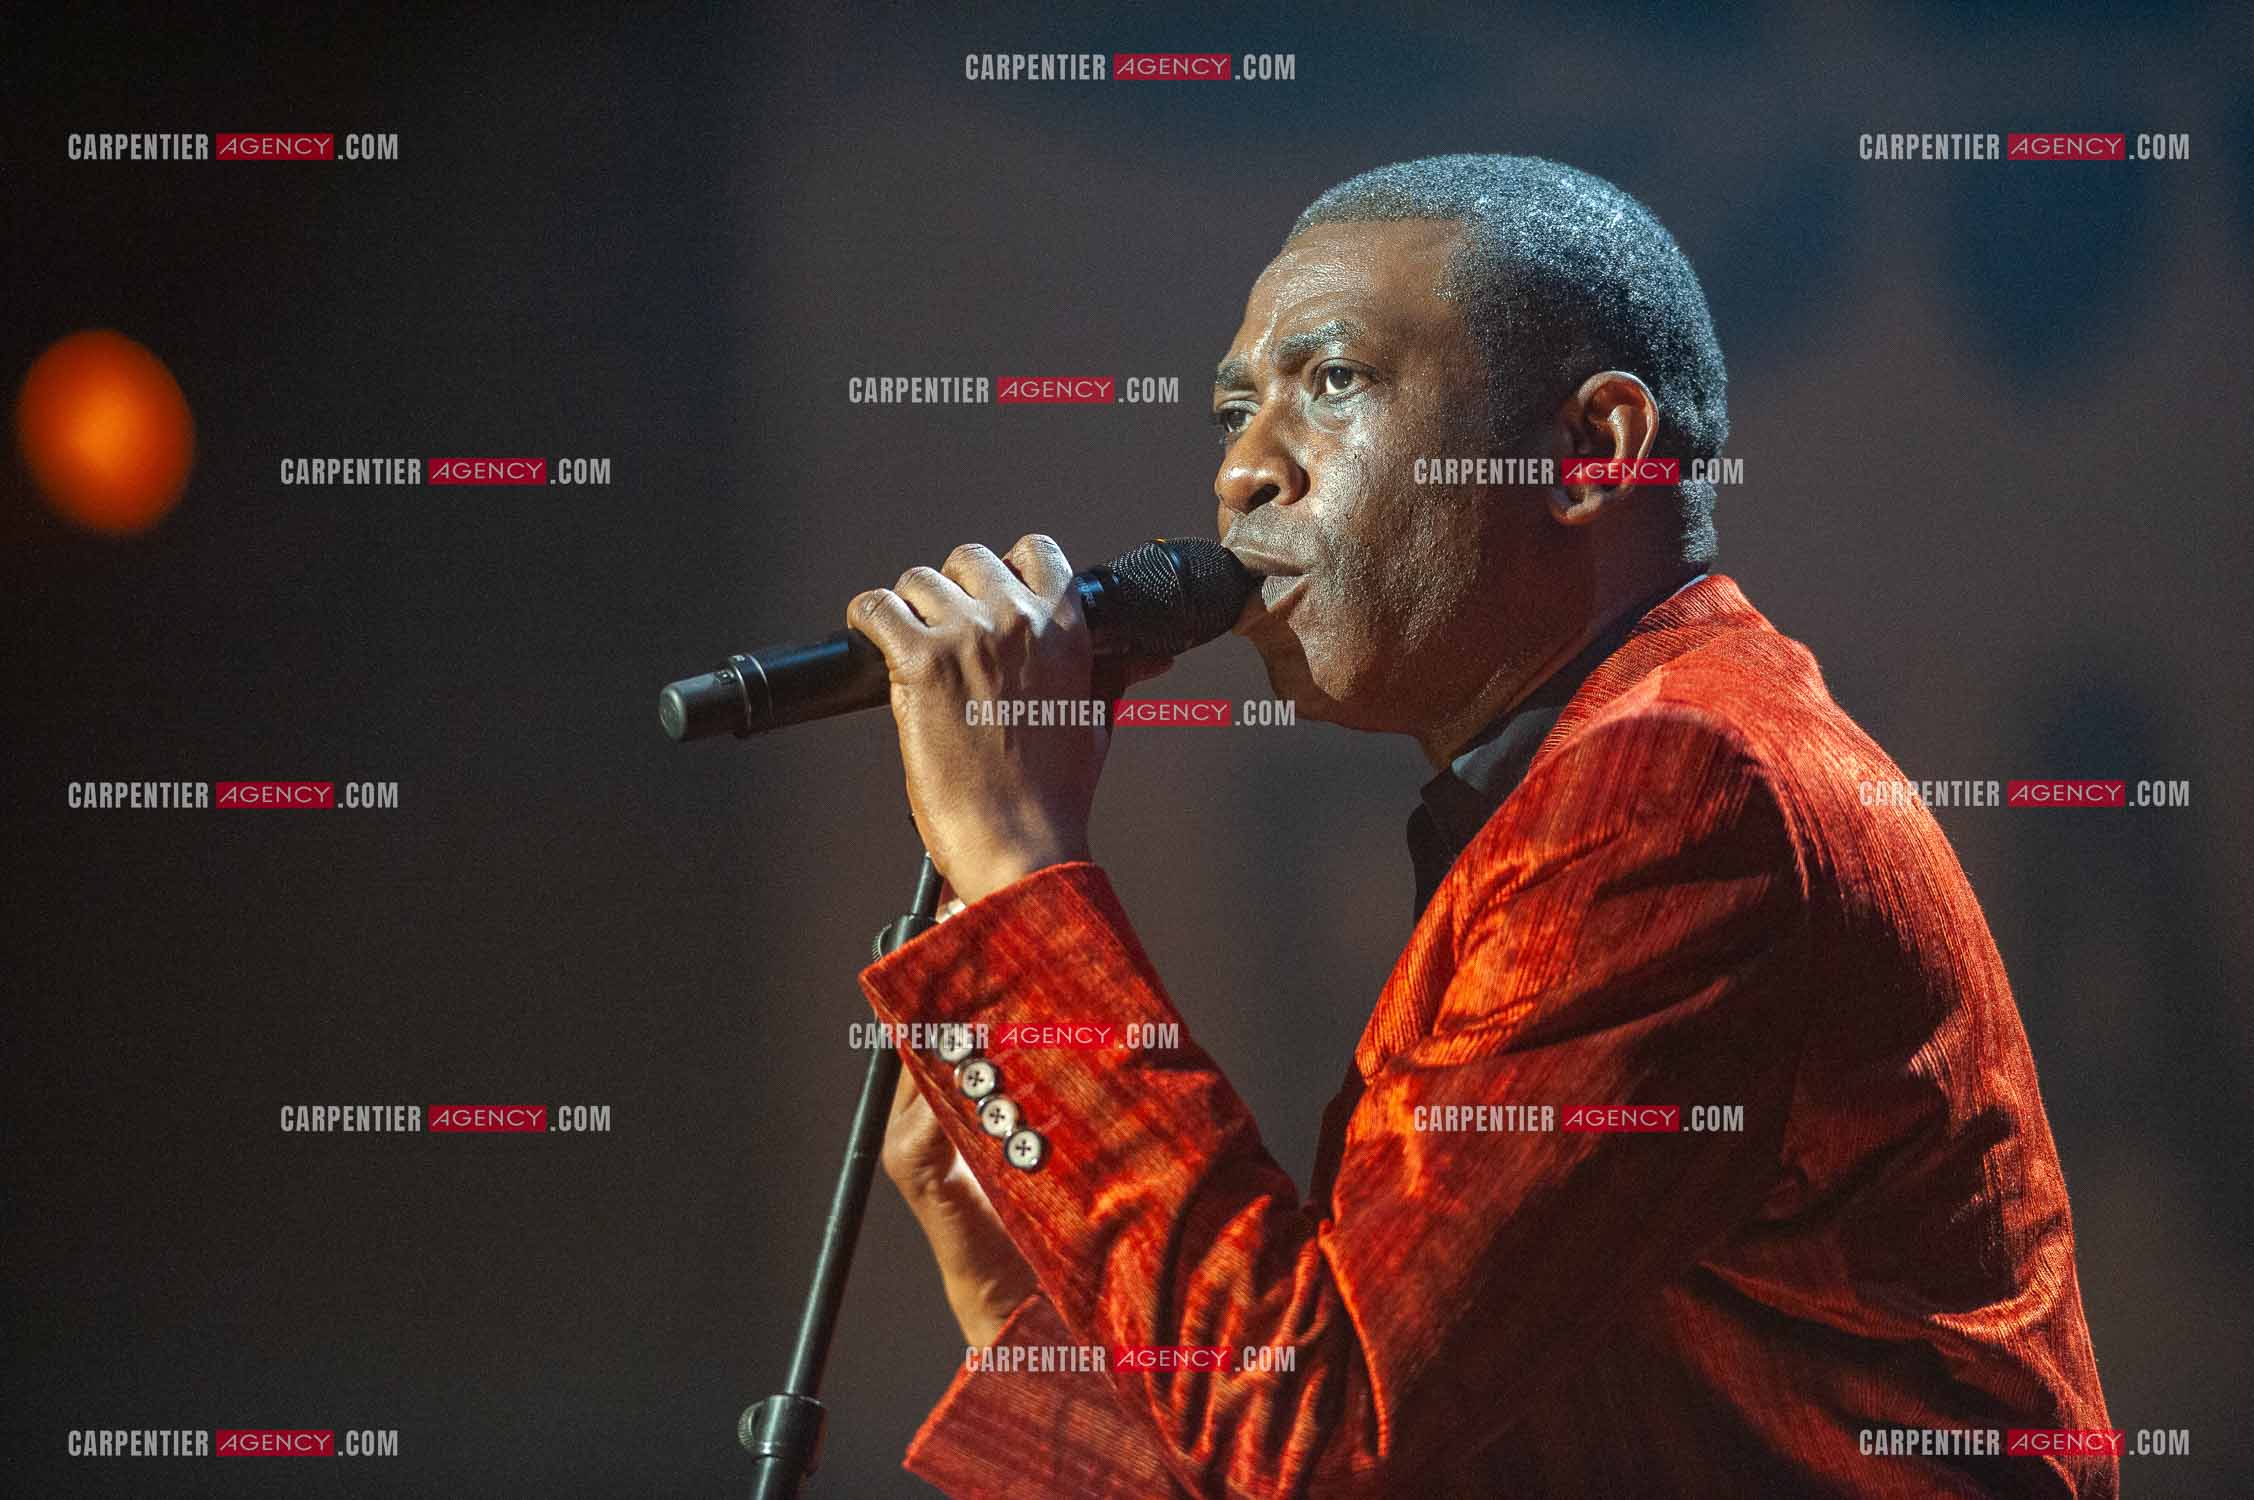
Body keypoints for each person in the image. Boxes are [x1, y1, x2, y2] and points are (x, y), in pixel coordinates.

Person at [848, 154, 2114, 1497]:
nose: (1239, 472)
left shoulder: (1682, 789)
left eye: (1332, 383)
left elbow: (1321, 1439)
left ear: (1589, 451)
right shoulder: (1594, 779)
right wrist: (997, 1271)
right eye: (1232, 407)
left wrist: (1017, 872)